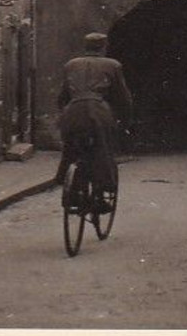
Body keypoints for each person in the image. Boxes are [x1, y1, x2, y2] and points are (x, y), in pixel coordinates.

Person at [56, 32, 133, 209]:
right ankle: (101, 194)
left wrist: (64, 115)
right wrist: (124, 120)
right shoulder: (113, 65)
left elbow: (62, 96)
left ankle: (70, 190)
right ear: (104, 47)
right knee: (103, 148)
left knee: (71, 148)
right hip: (98, 111)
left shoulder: (71, 64)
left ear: (86, 47)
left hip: (73, 111)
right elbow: (122, 97)